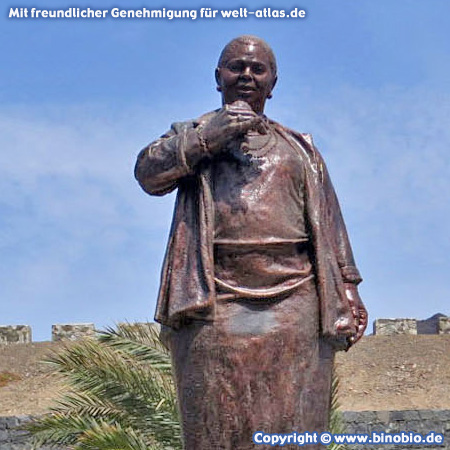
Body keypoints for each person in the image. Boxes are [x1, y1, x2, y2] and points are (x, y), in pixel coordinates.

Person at [135, 35, 367, 450]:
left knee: (296, 430)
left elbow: (330, 224)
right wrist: (208, 137)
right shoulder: (191, 136)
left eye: (257, 69)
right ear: (218, 77)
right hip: (214, 301)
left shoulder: (300, 149)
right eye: (236, 66)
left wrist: (348, 288)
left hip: (295, 301)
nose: (246, 75)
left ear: (273, 83)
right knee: (213, 427)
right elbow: (148, 174)